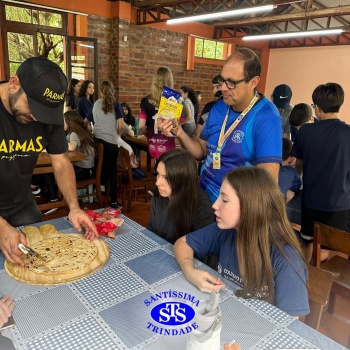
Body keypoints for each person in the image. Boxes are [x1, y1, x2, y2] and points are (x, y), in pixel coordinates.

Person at [0, 57, 98, 266]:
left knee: (36, 266)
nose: (37, 118)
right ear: (14, 83)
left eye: (43, 112)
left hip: (21, 205)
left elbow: (61, 162)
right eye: (32, 107)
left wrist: (74, 206)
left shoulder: (47, 116)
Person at [174, 167, 309, 317]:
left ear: (251, 207)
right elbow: (183, 243)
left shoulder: (286, 260)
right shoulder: (224, 231)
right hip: (227, 313)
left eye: (224, 200)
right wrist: (189, 270)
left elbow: (288, 326)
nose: (215, 205)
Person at [159, 47, 282, 203]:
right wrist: (180, 132)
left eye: (231, 83)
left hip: (232, 204)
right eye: (223, 80)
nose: (223, 87)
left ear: (253, 82)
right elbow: (201, 151)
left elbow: (268, 180)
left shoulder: (266, 117)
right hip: (203, 192)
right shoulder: (219, 107)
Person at [291, 82, 350, 262]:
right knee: (336, 247)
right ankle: (323, 279)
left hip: (311, 201)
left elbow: (298, 165)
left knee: (308, 242)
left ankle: (308, 277)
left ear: (316, 108)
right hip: (340, 203)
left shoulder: (305, 131)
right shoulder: (348, 132)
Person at [148, 148, 214, 244]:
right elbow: (150, 232)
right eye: (158, 174)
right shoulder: (158, 194)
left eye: (166, 178)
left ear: (182, 179)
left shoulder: (202, 207)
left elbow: (201, 251)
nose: (158, 183)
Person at [91, 80, 124, 209]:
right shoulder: (116, 104)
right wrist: (117, 135)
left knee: (99, 169)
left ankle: (97, 195)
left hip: (98, 141)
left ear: (100, 92)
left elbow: (87, 121)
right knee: (112, 172)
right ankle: (114, 202)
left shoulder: (95, 104)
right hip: (111, 143)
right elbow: (121, 125)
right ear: (112, 91)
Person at [139, 67, 175, 160]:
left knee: (158, 166)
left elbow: (141, 126)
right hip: (168, 144)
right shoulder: (174, 100)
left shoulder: (145, 100)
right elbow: (177, 127)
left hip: (153, 143)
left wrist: (147, 134)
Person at [64, 110, 95, 181]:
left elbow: (71, 147)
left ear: (70, 122)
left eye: (64, 121)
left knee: (51, 173)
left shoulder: (74, 133)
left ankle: (53, 191)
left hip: (82, 170)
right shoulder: (80, 131)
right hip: (86, 169)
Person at [196, 74, 223, 139]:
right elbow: (199, 130)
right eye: (213, 87)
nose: (214, 91)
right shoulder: (209, 106)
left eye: (217, 87)